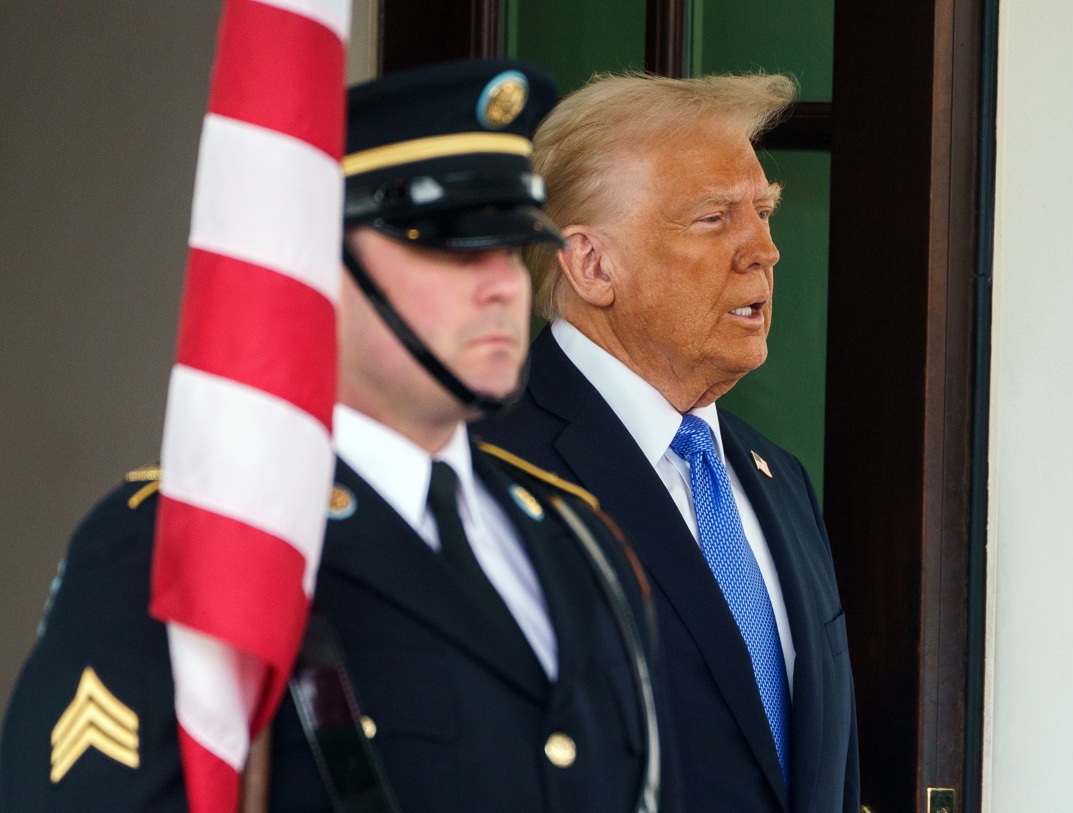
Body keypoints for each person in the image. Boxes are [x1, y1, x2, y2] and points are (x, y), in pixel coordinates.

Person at [0, 60, 673, 813]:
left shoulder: (581, 539)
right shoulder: (193, 537)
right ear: (312, 265)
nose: (503, 283)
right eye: (452, 246)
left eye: (513, 244)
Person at [475, 72, 860, 813]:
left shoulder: (779, 479)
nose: (765, 251)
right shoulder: (486, 471)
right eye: (714, 219)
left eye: (765, 211)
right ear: (591, 264)